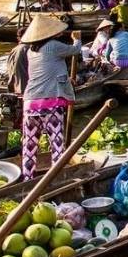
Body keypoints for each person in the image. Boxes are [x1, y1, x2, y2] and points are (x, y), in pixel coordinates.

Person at [21, 16, 81, 180]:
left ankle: (27, 178)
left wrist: (66, 80)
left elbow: (47, 71)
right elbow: (75, 50)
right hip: (50, 105)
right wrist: (77, 39)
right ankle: (56, 177)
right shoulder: (53, 46)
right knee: (56, 144)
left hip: (30, 104)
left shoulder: (31, 51)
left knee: (30, 145)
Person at [5, 27, 29, 95]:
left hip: (14, 86)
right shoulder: (29, 49)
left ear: (18, 38)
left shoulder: (14, 50)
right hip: (25, 88)